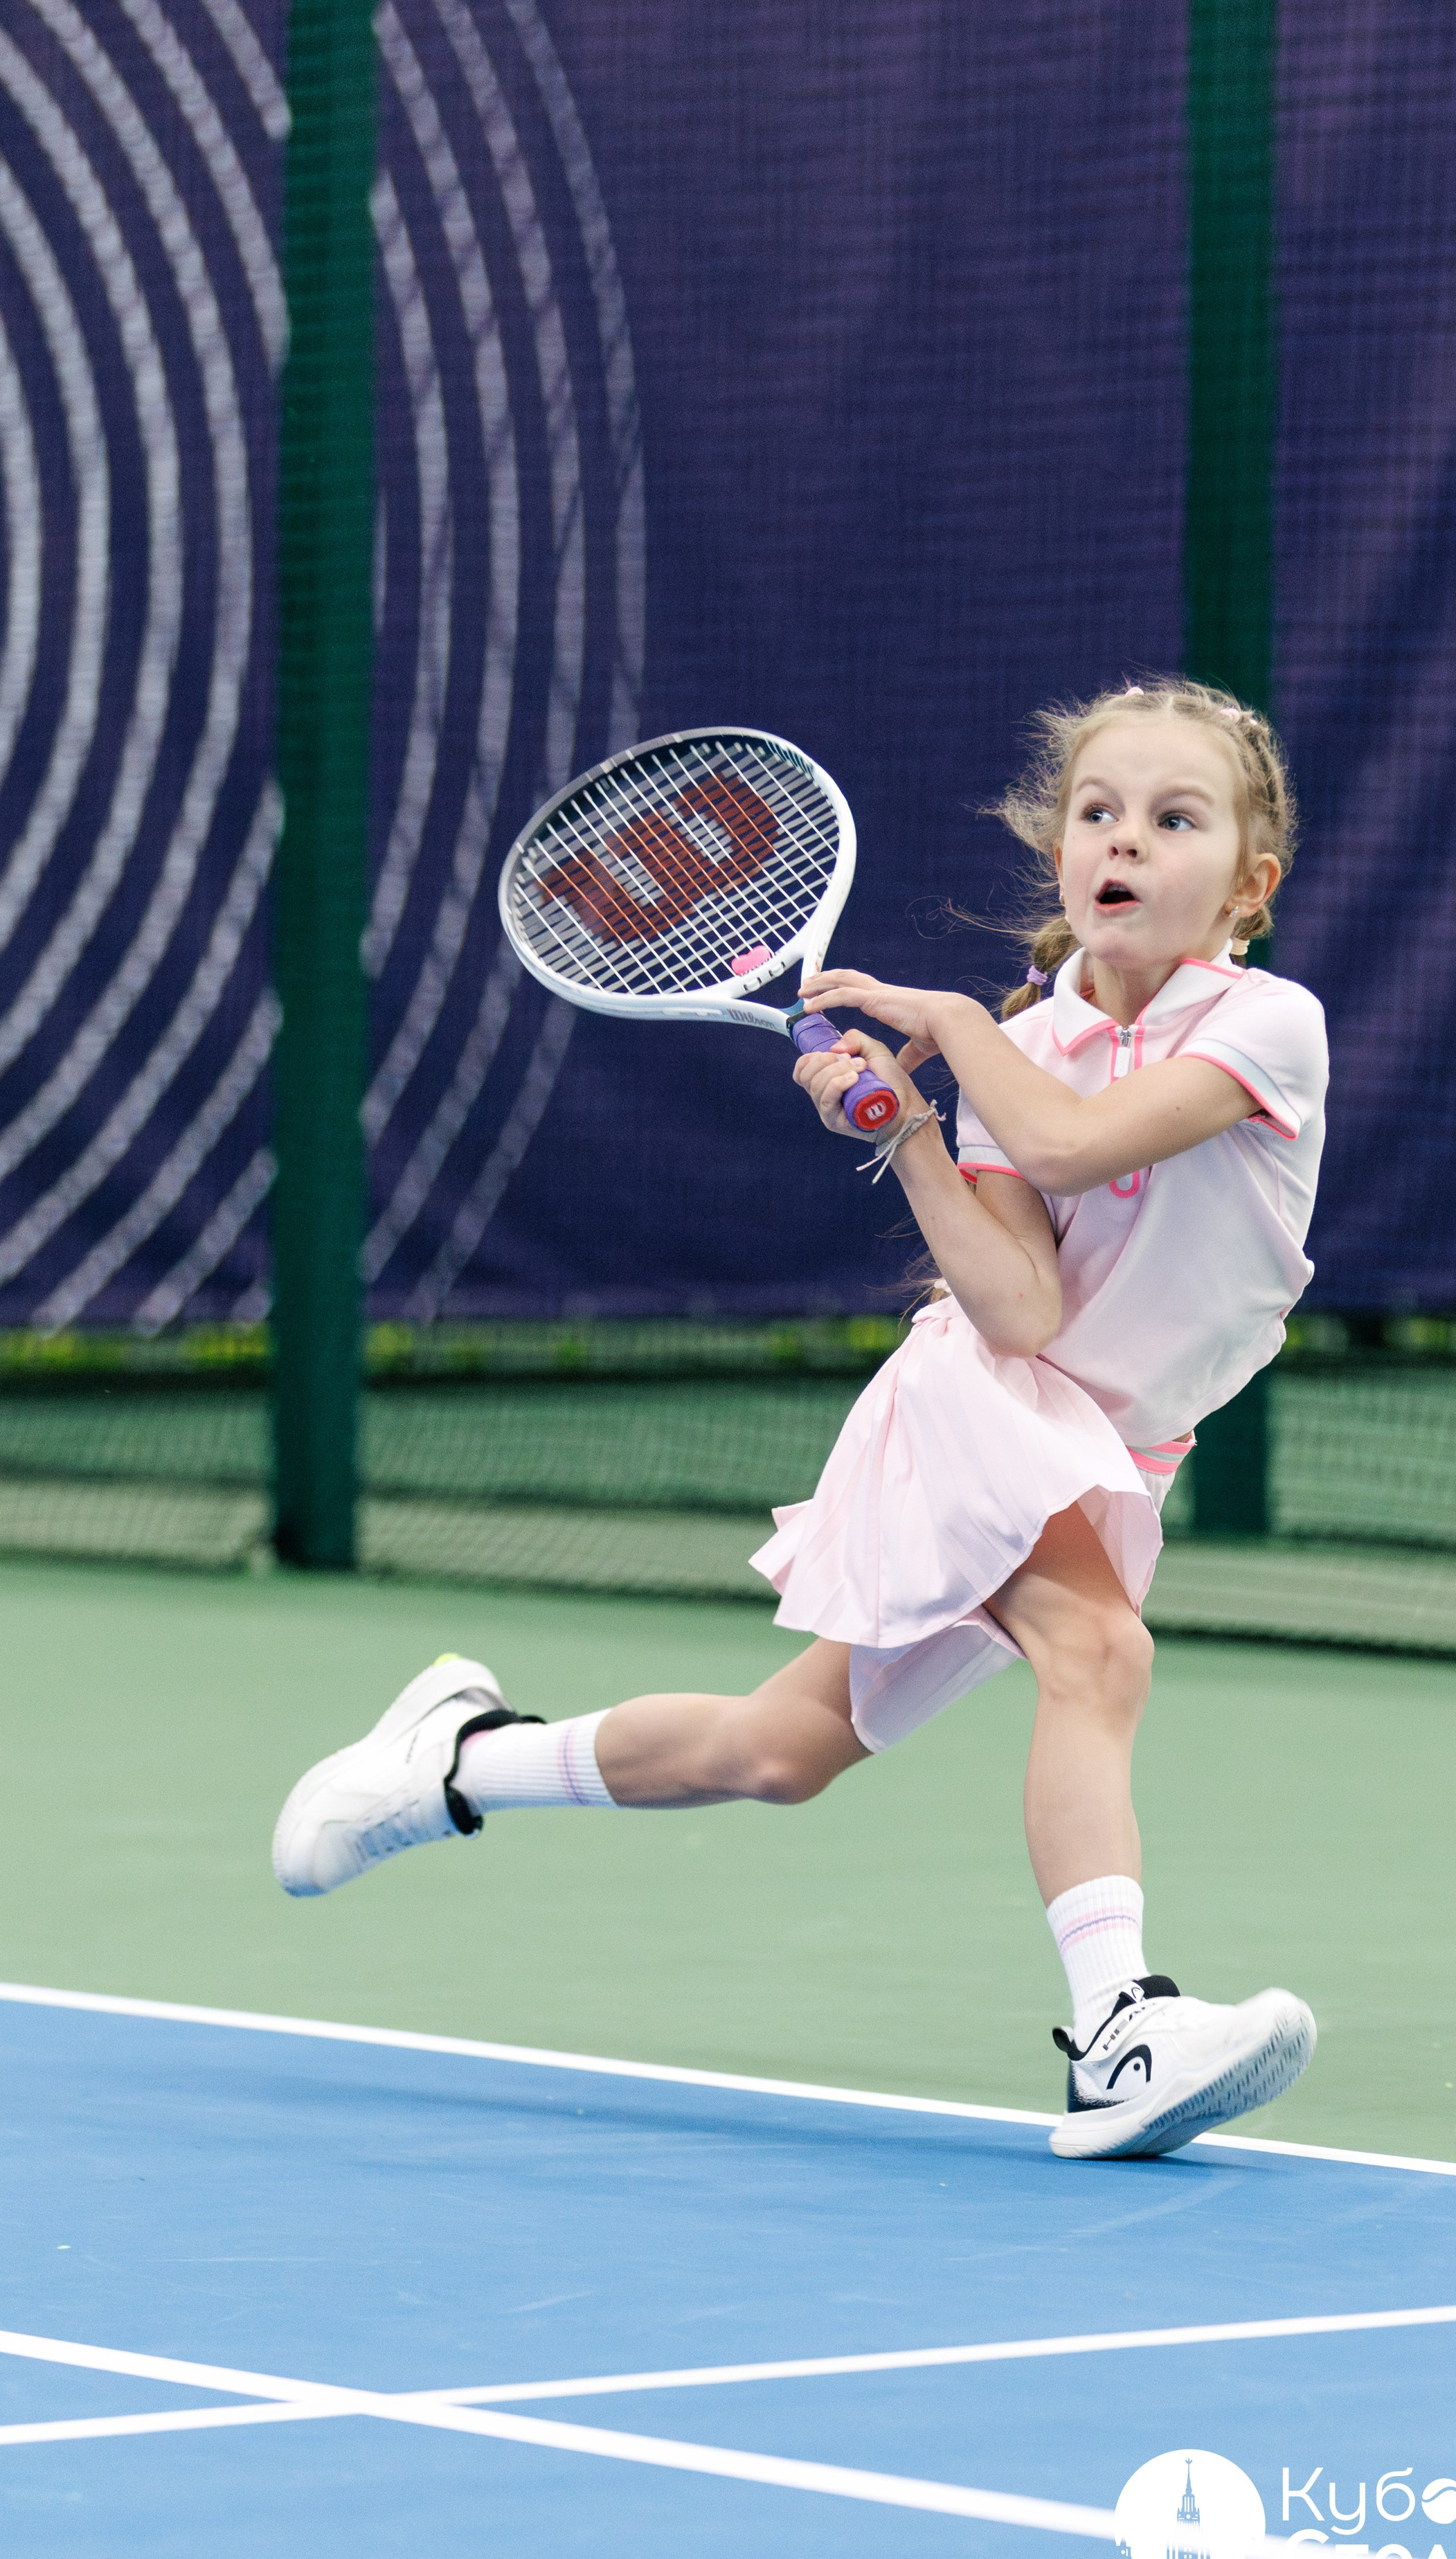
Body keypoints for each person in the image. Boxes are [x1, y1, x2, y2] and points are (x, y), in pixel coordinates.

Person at [273, 677, 1329, 2162]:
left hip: (1111, 1448)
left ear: (1248, 881)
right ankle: (1119, 2030)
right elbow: (1013, 1306)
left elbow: (1074, 1141)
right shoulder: (1018, 1038)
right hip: (988, 1403)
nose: (1125, 840)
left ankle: (449, 1760)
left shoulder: (1266, 1025)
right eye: (1098, 811)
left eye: (1173, 818)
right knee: (1098, 1651)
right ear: (1062, 850)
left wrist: (946, 1041)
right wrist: (906, 1130)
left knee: (777, 1750)